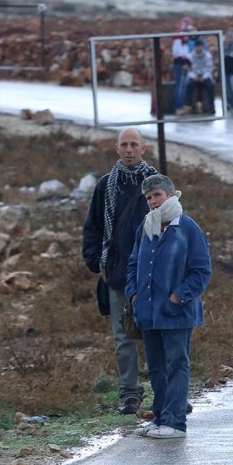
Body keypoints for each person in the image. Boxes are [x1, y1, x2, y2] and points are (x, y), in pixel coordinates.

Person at [126, 175, 211, 439]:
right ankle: (160, 417)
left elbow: (201, 270)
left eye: (157, 195)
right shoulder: (146, 227)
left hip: (178, 313)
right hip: (148, 313)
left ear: (171, 195)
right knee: (156, 367)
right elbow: (133, 265)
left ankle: (175, 423)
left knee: (177, 364)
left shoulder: (187, 228)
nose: (152, 201)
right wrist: (134, 296)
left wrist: (179, 296)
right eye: (149, 197)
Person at [82, 128, 158, 415]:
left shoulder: (156, 183)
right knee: (122, 336)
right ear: (117, 149)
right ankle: (130, 394)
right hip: (117, 272)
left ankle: (164, 391)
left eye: (133, 144)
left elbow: (173, 221)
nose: (128, 149)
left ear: (143, 148)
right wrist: (96, 261)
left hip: (152, 273)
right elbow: (93, 226)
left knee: (155, 331)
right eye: (124, 145)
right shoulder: (105, 186)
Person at [182, 39, 215, 116]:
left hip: (205, 75)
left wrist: (204, 77)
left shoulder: (208, 56)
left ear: (203, 47)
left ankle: (211, 106)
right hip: (194, 76)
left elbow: (209, 68)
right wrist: (194, 77)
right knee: (189, 85)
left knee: (210, 86)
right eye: (197, 46)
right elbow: (189, 69)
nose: (199, 48)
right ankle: (188, 105)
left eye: (200, 46)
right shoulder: (190, 56)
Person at [170, 17, 195, 114]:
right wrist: (185, 60)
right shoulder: (181, 35)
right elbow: (178, 51)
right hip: (181, 62)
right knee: (180, 85)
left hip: (186, 61)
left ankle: (184, 106)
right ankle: (179, 106)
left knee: (184, 85)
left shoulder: (185, 35)